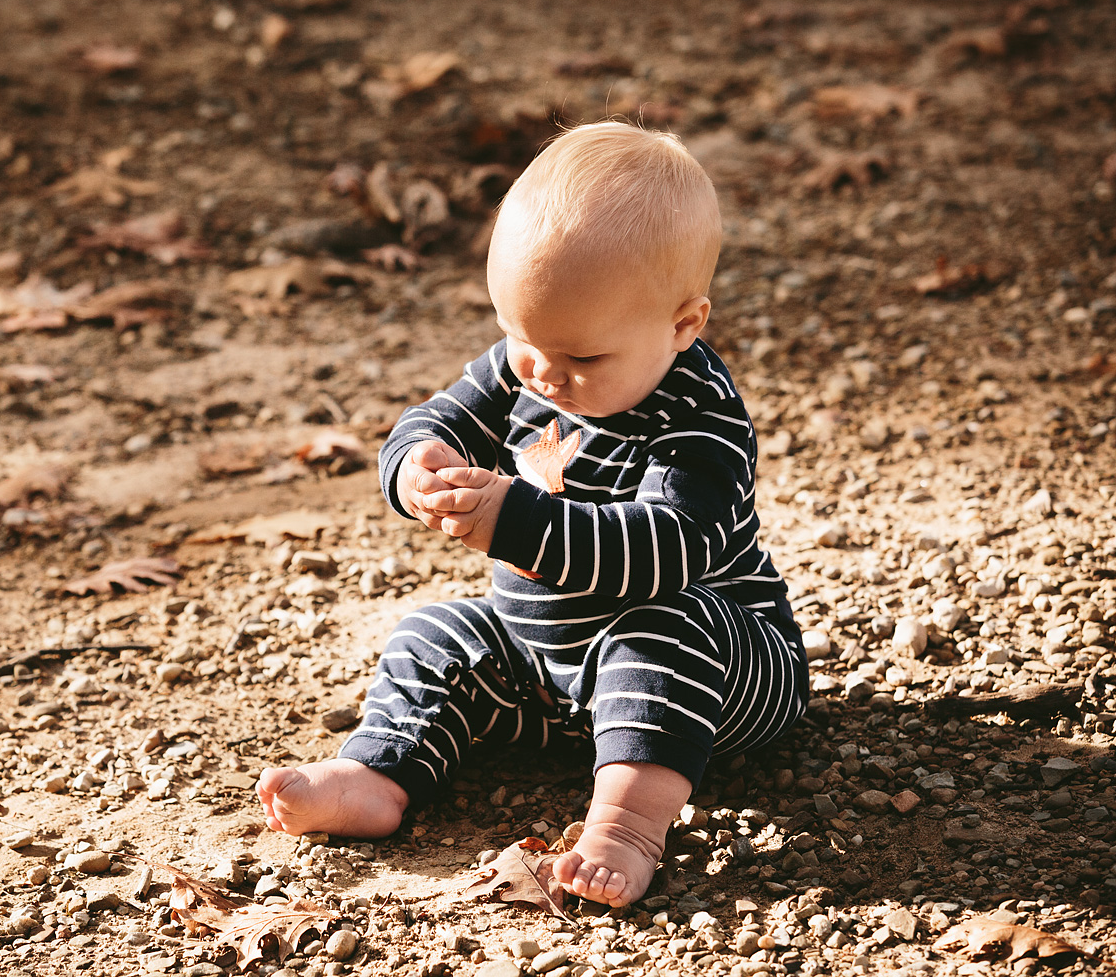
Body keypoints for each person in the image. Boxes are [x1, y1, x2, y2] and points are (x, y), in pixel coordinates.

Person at [257, 121, 807, 908]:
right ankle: (377, 771)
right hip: (547, 669)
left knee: (664, 630)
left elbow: (668, 550)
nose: (544, 373)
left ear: (684, 324)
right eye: (520, 336)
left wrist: (518, 523)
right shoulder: (537, 359)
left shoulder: (697, 421)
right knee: (434, 632)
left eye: (582, 358)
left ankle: (627, 826)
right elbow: (435, 418)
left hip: (724, 670)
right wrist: (415, 467)